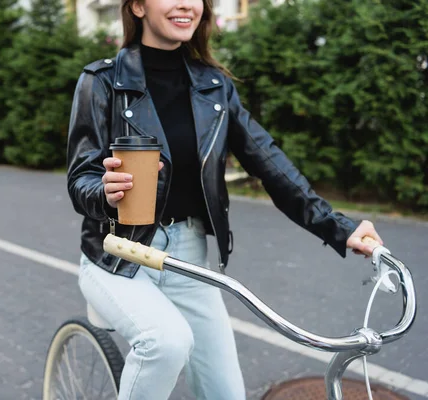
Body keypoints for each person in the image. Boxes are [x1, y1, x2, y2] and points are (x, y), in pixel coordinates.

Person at [66, 0, 384, 398]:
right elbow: (82, 177)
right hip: (115, 254)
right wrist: (105, 193)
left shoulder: (213, 86)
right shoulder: (101, 81)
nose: (186, 4)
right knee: (166, 343)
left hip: (189, 256)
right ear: (138, 7)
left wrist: (340, 228)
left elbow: (270, 163)